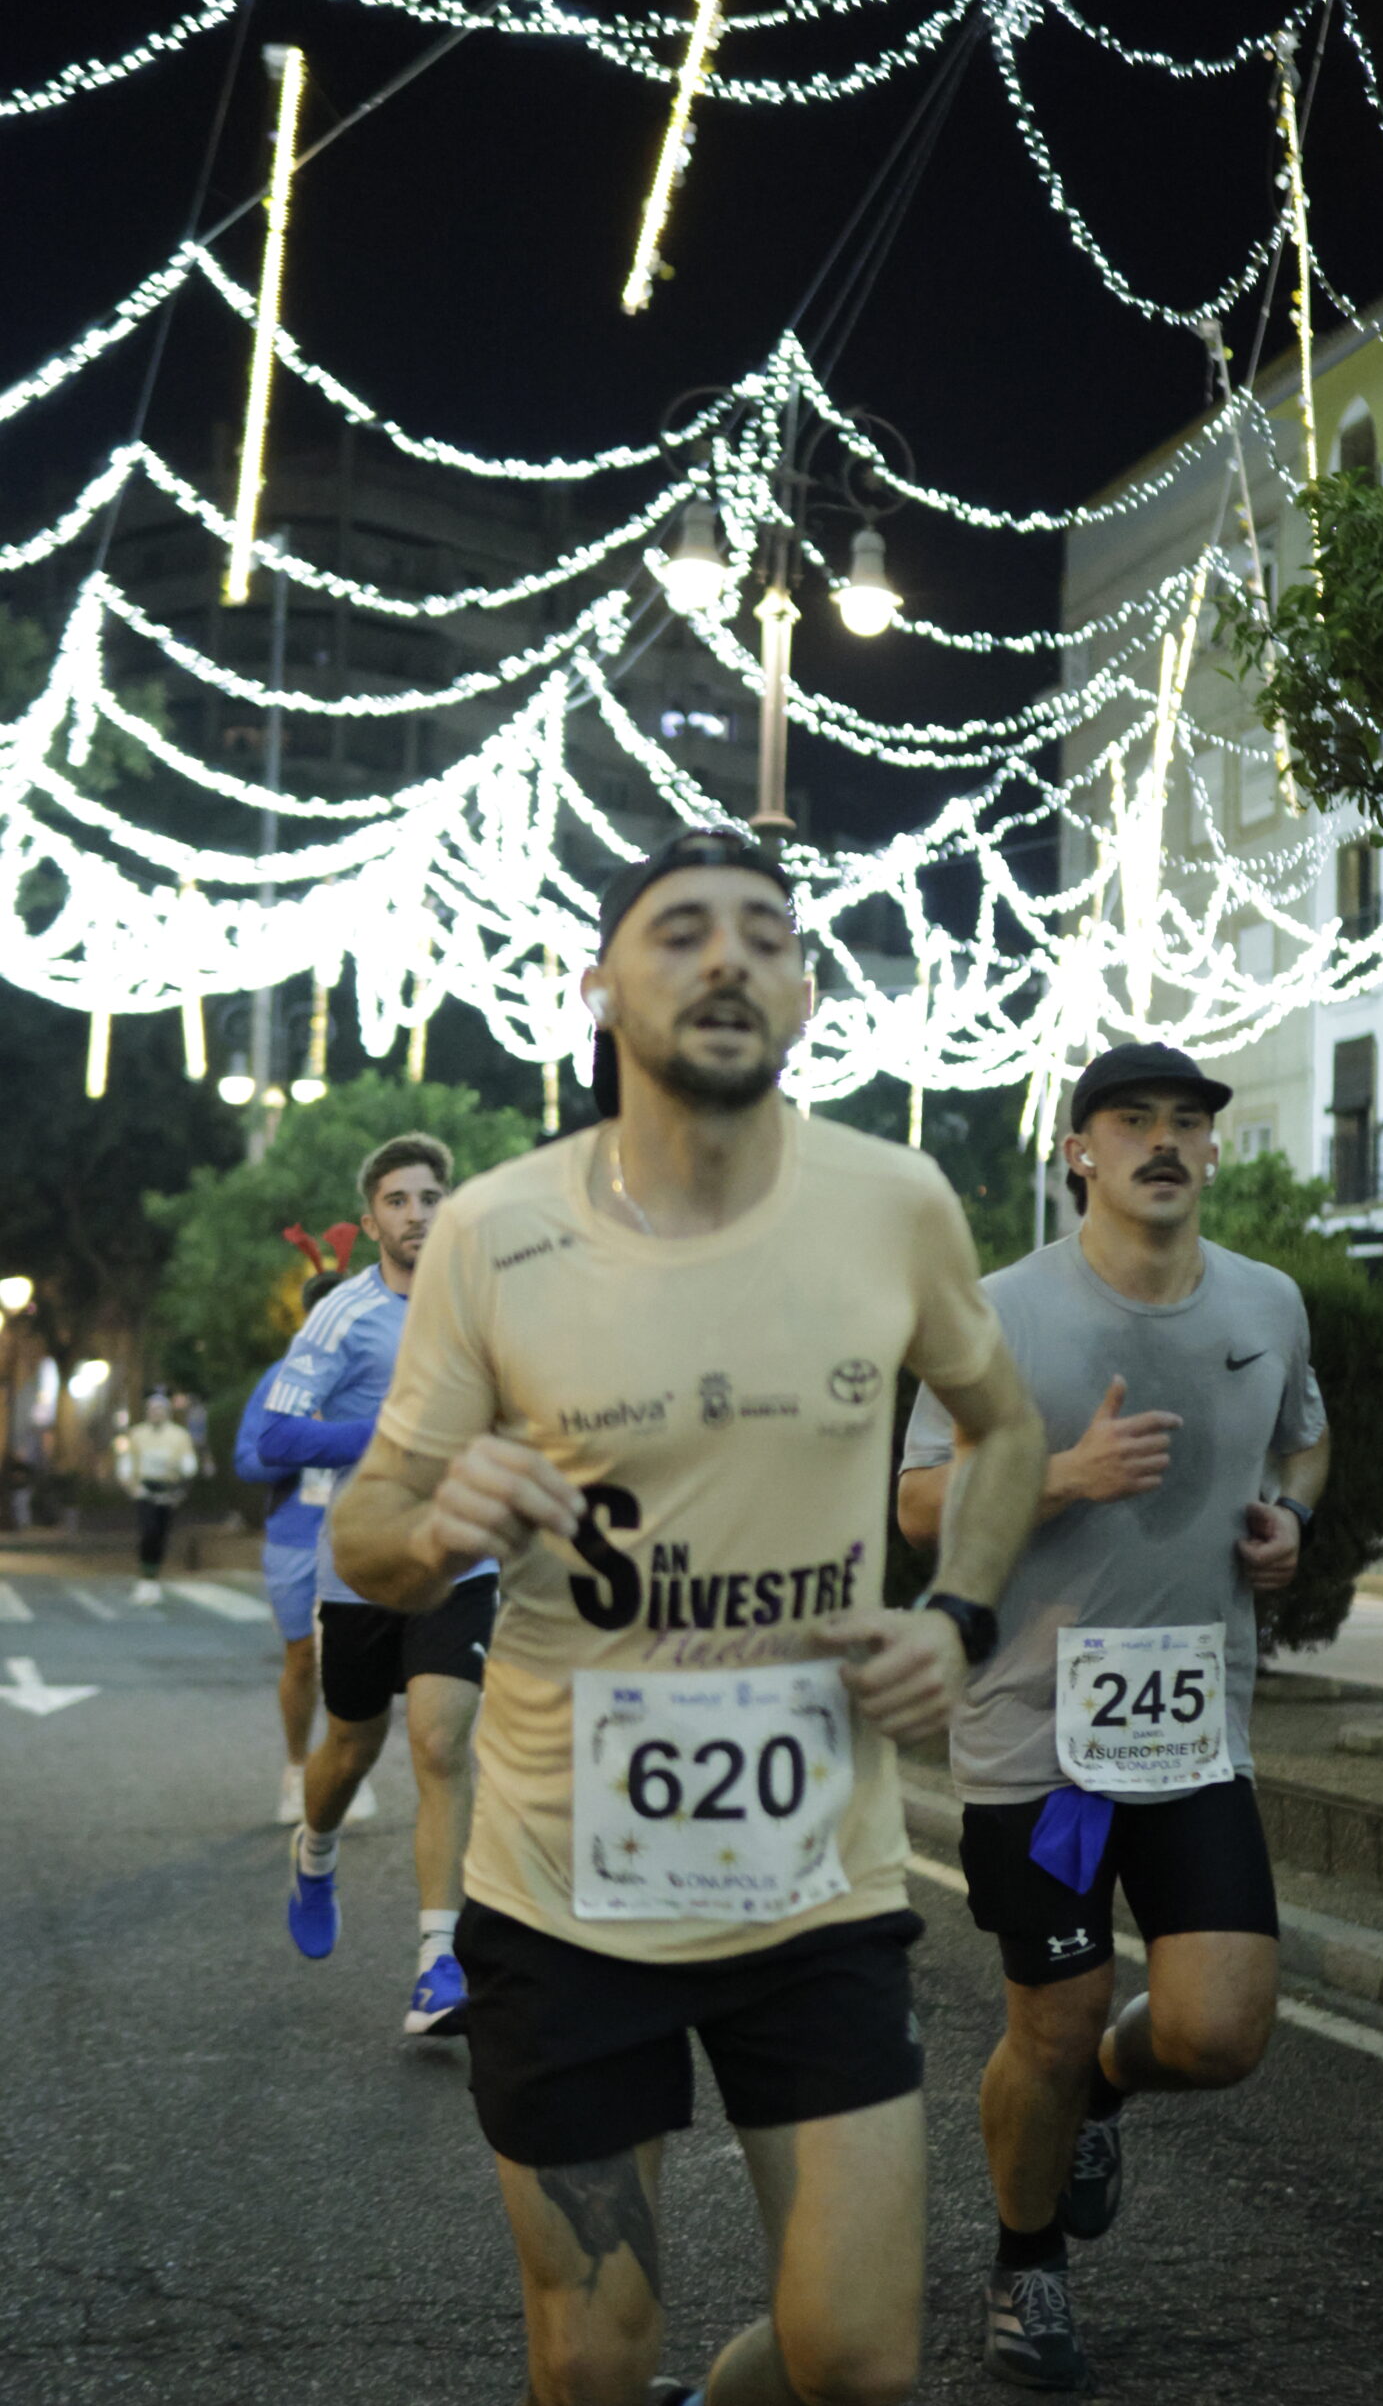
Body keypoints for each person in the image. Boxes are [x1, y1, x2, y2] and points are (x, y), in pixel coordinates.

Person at [330, 828, 1046, 2406]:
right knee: (593, 2364)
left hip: (815, 1880)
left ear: (802, 995)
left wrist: (958, 1617)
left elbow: (1004, 1429)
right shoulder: (495, 1231)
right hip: (560, 1890)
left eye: (764, 936)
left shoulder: (893, 1203)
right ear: (599, 987)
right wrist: (435, 1529)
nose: (726, 957)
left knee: (855, 2362)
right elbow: (365, 1534)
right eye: (677, 932)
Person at [898, 1040, 1331, 2393]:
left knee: (1217, 2031)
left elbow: (1304, 1434)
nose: (1164, 1140)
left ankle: (1104, 2086)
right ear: (1078, 1152)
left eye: (1186, 1121)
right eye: (1132, 1120)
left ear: (1211, 1148)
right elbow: (917, 1503)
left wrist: (1291, 1514)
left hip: (1194, 1731)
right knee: (1050, 2011)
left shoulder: (1265, 1301)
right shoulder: (997, 1312)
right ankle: (1026, 2263)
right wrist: (1060, 1475)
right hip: (1039, 1739)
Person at [265, 1133, 496, 2039]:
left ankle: (439, 1964)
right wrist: (391, 1436)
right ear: (371, 1222)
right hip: (361, 1567)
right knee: (351, 1746)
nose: (416, 1214)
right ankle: (315, 1847)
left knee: (440, 1744)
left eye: (430, 1197)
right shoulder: (343, 1315)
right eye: (397, 1201)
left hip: (461, 1562)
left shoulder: (482, 1300)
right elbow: (276, 1435)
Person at [233, 1262, 376, 1828]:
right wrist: (308, 1440)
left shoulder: (379, 1375)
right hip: (296, 1538)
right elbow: (249, 1460)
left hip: (360, 1532)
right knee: (302, 1657)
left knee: (356, 1657)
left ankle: (346, 1768)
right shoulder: (281, 1379)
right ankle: (297, 1768)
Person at [116, 1391, 199, 1605]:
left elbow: (188, 1466)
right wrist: (132, 1487)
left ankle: (154, 1578)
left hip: (167, 1490)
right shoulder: (137, 1434)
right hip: (145, 1490)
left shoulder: (179, 1436)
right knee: (148, 1532)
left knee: (161, 1534)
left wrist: (181, 1485)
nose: (156, 1413)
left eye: (160, 1409)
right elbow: (127, 1465)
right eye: (152, 1409)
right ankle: (145, 1578)